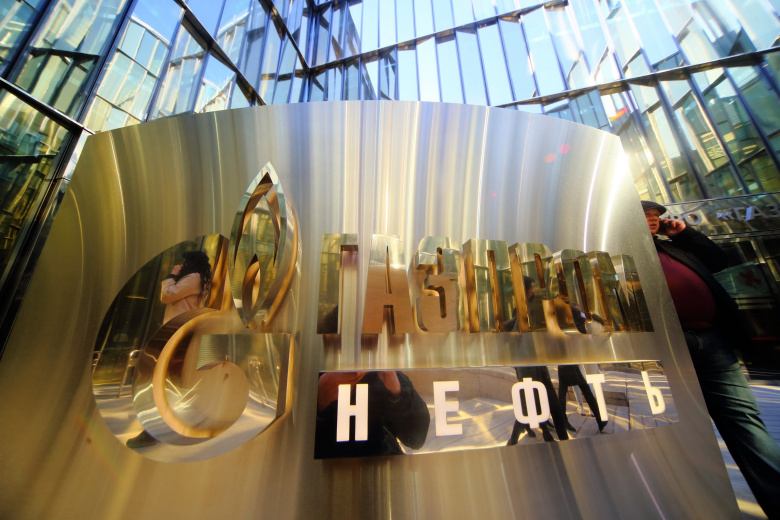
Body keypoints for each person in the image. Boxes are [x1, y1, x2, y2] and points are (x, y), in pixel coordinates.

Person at [642, 200, 780, 517]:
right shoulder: (624, 252)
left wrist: (685, 234)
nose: (653, 220)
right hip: (665, 348)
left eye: (655, 216)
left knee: (743, 419)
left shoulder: (674, 248)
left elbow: (718, 260)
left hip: (713, 342)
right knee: (678, 429)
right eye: (645, 216)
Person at [314, 371, 430, 458]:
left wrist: (396, 391)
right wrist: (320, 400)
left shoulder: (376, 369)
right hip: (329, 471)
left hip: (383, 465)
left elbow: (416, 439)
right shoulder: (313, 370)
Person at [161, 250, 212, 323]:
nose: (182, 265)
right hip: (184, 321)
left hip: (179, 322)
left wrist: (172, 275)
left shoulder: (193, 278)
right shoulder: (200, 278)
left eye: (184, 262)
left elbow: (166, 296)